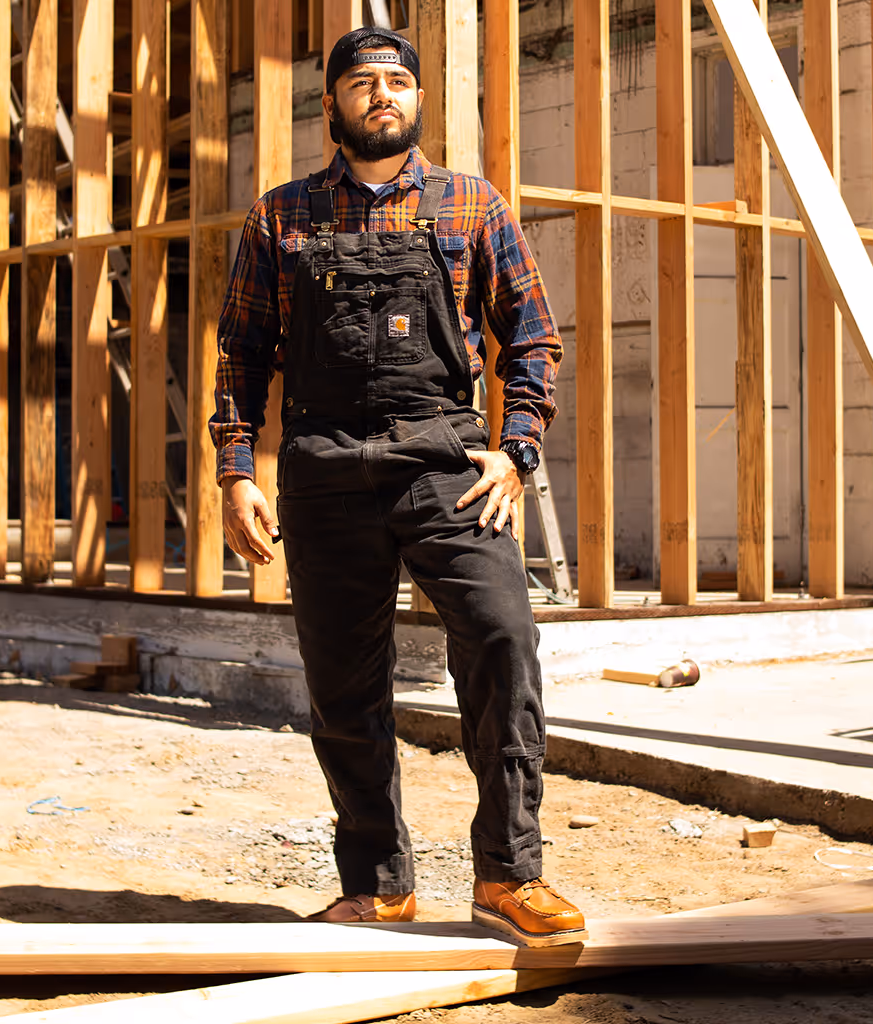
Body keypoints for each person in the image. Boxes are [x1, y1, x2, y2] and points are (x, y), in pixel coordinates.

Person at [211, 26, 585, 947]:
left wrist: (515, 450)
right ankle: (378, 884)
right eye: (362, 83)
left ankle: (507, 875)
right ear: (331, 104)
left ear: (417, 100)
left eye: (398, 82)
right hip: (324, 472)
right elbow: (240, 356)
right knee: (346, 685)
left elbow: (531, 338)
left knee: (503, 639)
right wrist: (233, 472)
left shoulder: (471, 206)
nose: (383, 94)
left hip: (448, 468)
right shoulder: (281, 215)